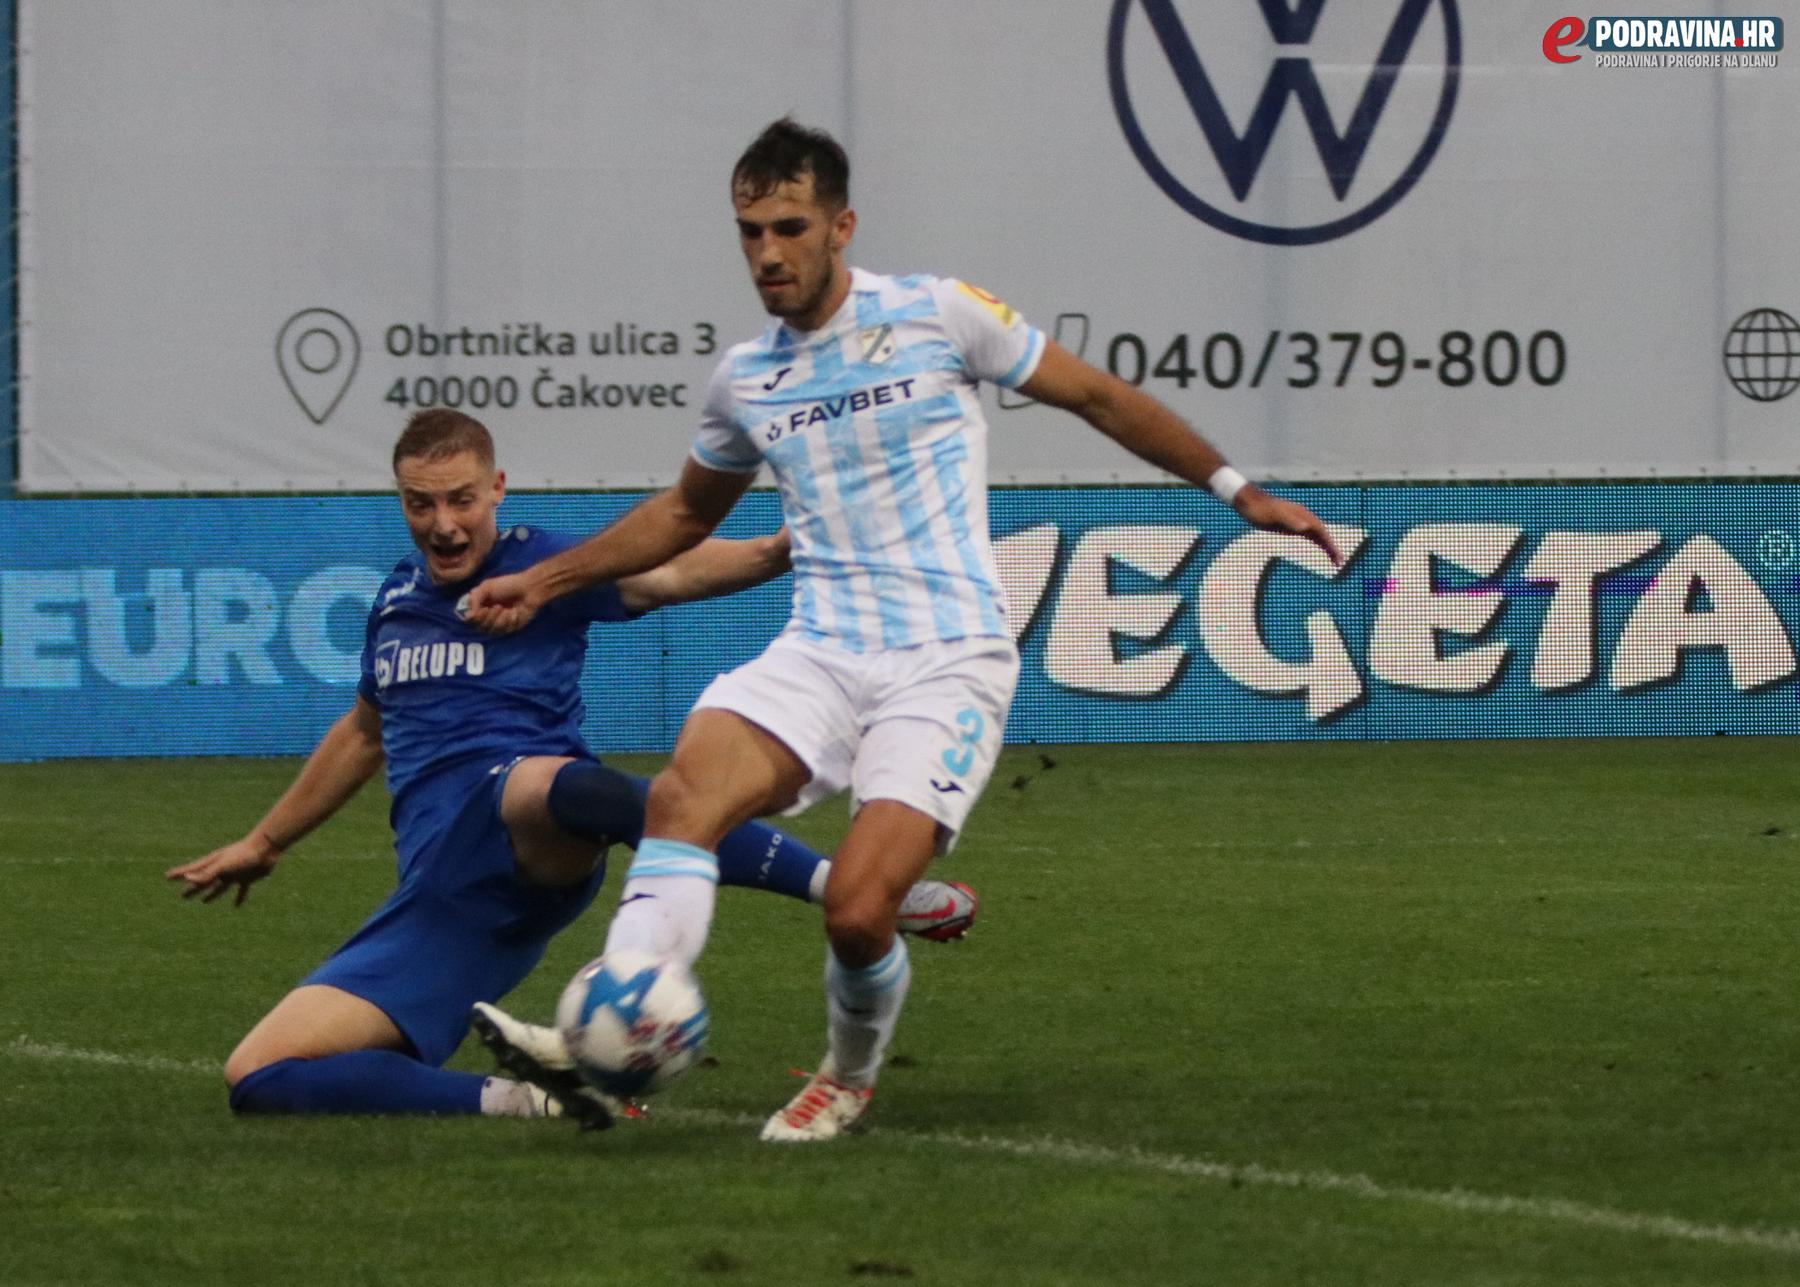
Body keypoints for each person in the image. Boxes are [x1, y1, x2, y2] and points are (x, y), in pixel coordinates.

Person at [465, 118, 1343, 1142]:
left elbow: (1100, 397)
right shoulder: (747, 378)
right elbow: (684, 516)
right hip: (821, 652)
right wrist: (546, 580)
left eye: (788, 227)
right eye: (748, 232)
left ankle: (847, 1071)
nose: (767, 254)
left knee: (858, 911)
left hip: (946, 663)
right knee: (680, 798)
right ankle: (621, 1013)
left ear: (841, 225)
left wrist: (1238, 491)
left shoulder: (938, 314)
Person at [165, 407, 977, 1127]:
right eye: (422, 503)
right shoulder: (394, 601)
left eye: (461, 499)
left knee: (567, 784)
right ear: (401, 500)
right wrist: (266, 841)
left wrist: (776, 550)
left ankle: (849, 885)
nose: (443, 523)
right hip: (447, 889)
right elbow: (363, 734)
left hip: (531, 814)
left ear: (497, 490)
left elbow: (666, 573)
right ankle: (536, 1097)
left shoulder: (542, 565)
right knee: (261, 1075)